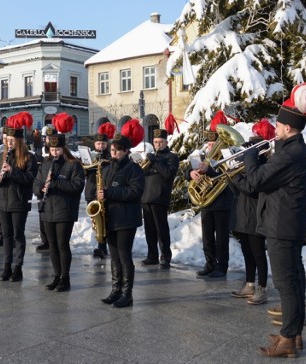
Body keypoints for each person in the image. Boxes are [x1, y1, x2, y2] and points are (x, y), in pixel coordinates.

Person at [237, 101, 306, 358]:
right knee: (294, 280)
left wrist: (250, 159)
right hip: (289, 223)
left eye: (279, 126)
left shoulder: (290, 155)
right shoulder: (297, 151)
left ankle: (288, 339)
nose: (275, 130)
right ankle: (293, 333)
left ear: (288, 127)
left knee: (286, 284)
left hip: (282, 226)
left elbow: (255, 182)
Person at [98, 126, 145, 308]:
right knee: (114, 257)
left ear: (126, 151)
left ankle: (127, 294)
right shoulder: (107, 168)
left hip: (126, 219)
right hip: (110, 218)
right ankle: (115, 290)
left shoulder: (134, 169)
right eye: (112, 150)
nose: (114, 153)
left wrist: (109, 192)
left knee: (124, 257)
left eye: (117, 151)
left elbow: (134, 192)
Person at [228, 120, 274, 305]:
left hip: (256, 214)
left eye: (252, 145)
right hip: (242, 213)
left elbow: (251, 187)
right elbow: (236, 188)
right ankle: (249, 283)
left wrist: (236, 176)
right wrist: (230, 174)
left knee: (257, 252)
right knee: (247, 250)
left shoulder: (264, 166)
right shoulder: (248, 164)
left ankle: (262, 287)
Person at [33, 133, 84, 291]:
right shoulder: (45, 163)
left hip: (64, 210)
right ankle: (56, 275)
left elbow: (77, 187)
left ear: (63, 149)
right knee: (52, 245)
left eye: (58, 150)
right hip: (48, 209)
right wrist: (41, 189)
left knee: (62, 245)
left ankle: (65, 278)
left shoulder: (73, 164)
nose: (55, 153)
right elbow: (36, 184)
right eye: (52, 150)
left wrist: (56, 183)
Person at [0, 126, 38, 282]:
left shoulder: (29, 158)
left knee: (18, 235)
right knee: (6, 235)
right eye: (7, 141)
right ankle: (6, 266)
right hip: (3, 201)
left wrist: (12, 171)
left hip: (19, 201)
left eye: (12, 141)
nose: (9, 143)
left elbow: (29, 179)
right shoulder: (2, 156)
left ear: (19, 141)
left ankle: (17, 268)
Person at [188, 124, 234, 279]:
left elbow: (227, 175)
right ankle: (209, 263)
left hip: (222, 202)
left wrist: (209, 170)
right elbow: (195, 172)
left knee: (221, 237)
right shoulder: (205, 158)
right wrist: (192, 173)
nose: (211, 146)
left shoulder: (227, 156)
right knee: (207, 236)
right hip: (207, 202)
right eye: (209, 144)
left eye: (214, 144)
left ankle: (222, 266)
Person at [140, 128, 179, 269]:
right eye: (156, 142)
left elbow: (168, 174)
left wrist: (155, 161)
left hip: (160, 197)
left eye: (161, 142)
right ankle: (152, 256)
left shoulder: (171, 157)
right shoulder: (150, 157)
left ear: (166, 142)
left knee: (161, 229)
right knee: (149, 230)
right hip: (146, 197)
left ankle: (165, 256)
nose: (158, 144)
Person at [84, 128, 112, 258]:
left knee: (104, 220)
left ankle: (103, 246)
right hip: (91, 192)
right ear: (94, 144)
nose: (101, 146)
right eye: (98, 144)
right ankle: (100, 243)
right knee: (96, 222)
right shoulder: (91, 157)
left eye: (103, 144)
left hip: (103, 192)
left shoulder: (110, 158)